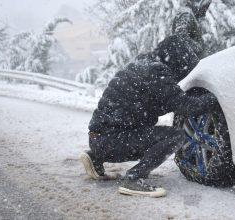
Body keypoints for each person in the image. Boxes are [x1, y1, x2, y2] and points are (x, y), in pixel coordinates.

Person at [80, 0, 215, 198]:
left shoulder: (145, 65)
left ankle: (96, 156)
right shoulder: (157, 74)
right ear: (178, 62)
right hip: (112, 139)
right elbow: (186, 106)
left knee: (143, 135)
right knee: (174, 136)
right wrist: (216, 98)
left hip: (100, 138)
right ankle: (133, 179)